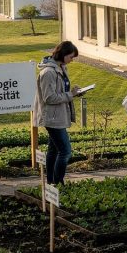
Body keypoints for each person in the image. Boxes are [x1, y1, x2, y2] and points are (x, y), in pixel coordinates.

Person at [33, 41, 86, 185]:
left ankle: (51, 182)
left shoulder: (60, 68)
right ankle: (57, 181)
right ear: (62, 55)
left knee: (54, 150)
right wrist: (70, 95)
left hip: (58, 115)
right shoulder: (48, 72)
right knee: (65, 151)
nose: (72, 60)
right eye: (70, 57)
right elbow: (49, 97)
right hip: (52, 117)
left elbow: (60, 91)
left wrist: (73, 93)